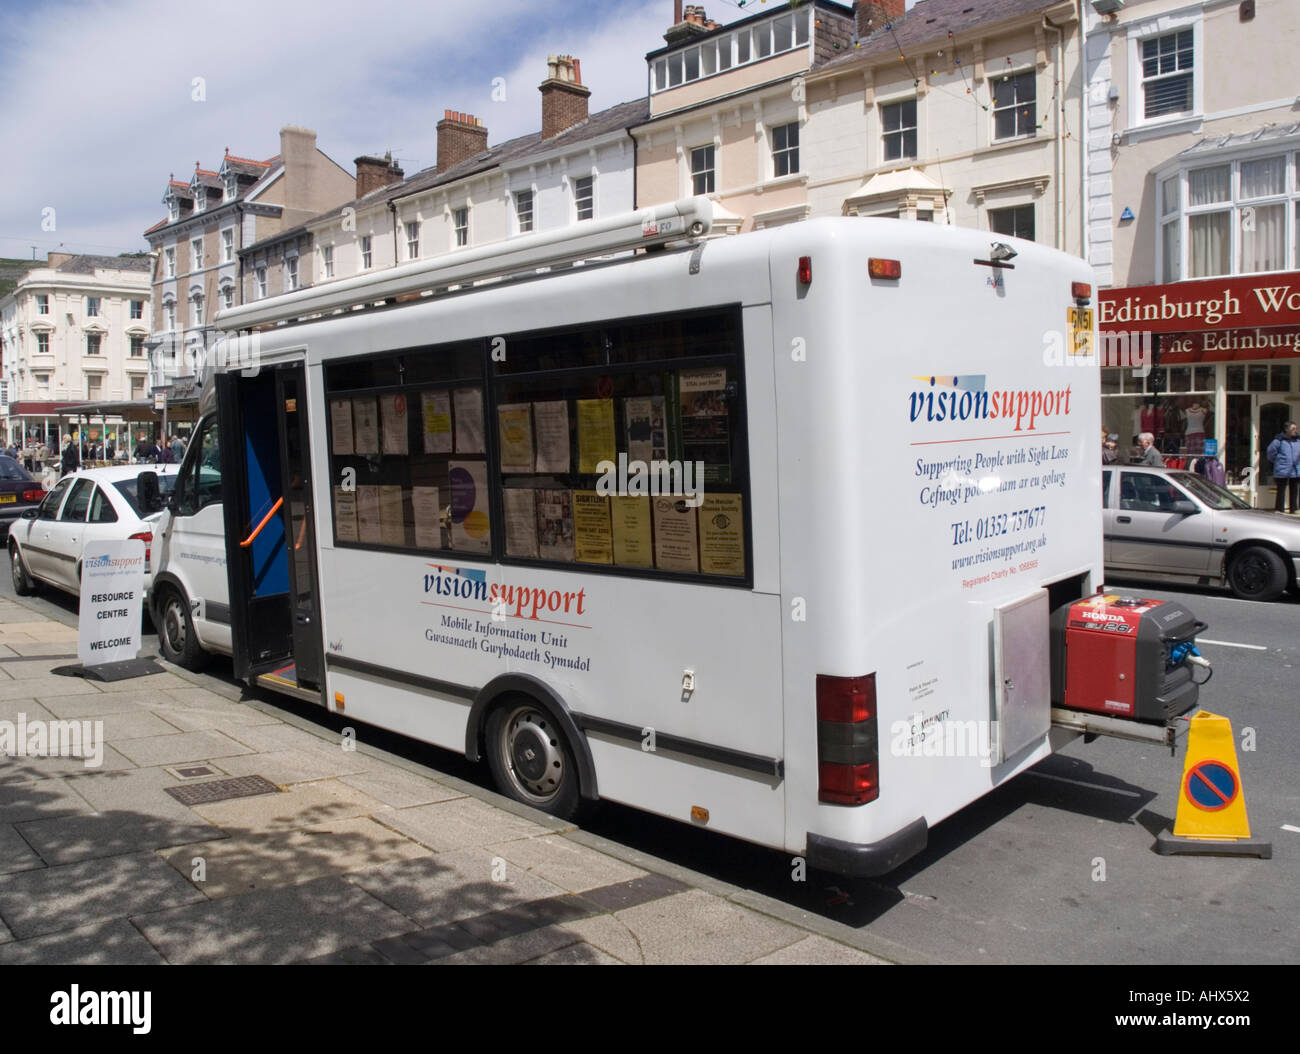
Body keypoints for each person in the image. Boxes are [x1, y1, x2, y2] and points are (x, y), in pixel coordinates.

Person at [1266, 422, 1300, 513]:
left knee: (1294, 489)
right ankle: (1279, 509)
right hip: (1282, 469)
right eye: (1293, 429)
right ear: (1286, 429)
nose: (1295, 431)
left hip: (1295, 469)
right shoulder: (1279, 440)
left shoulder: (1298, 440)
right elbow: (1270, 452)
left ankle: (1294, 508)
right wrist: (1278, 461)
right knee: (1281, 490)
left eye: (1296, 429)